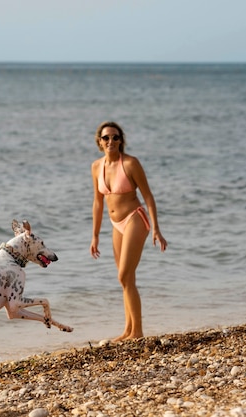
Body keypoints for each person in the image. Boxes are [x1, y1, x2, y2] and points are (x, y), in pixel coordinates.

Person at [89, 121, 167, 342]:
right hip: (116, 224)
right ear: (99, 141)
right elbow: (97, 203)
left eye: (115, 137)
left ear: (121, 140)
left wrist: (156, 229)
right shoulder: (96, 167)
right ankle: (128, 330)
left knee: (124, 275)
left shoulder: (131, 164)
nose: (110, 141)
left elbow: (148, 196)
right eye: (106, 138)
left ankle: (138, 332)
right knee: (126, 279)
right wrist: (95, 235)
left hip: (135, 219)